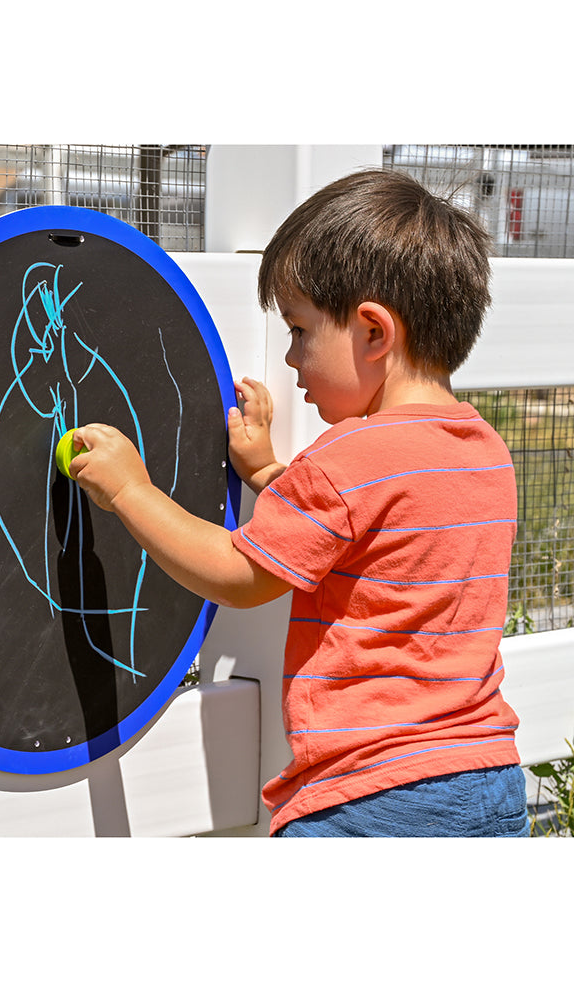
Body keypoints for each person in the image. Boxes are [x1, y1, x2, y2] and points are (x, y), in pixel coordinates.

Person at [68, 169, 527, 837]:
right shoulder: (481, 449)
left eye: (300, 329)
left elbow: (241, 573)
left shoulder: (351, 457)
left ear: (373, 333)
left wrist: (131, 491)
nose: (290, 357)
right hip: (485, 776)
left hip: (374, 796)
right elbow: (371, 533)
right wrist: (266, 473)